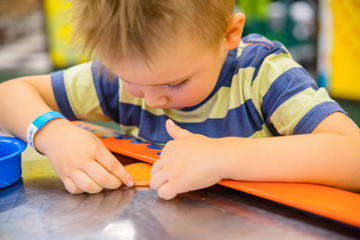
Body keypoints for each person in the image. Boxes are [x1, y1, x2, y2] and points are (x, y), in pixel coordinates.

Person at [0, 0, 359, 200]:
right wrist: (51, 133)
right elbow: (9, 93)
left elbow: (353, 157)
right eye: (131, 81)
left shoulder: (263, 75)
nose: (153, 100)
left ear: (229, 34)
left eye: (176, 83)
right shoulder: (119, 76)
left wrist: (224, 156)